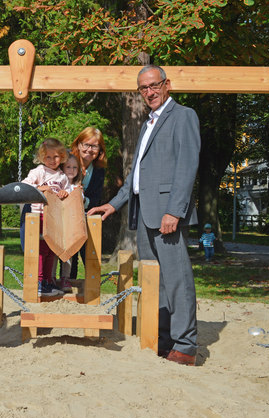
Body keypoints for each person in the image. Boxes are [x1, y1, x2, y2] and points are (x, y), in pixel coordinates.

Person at [88, 65, 201, 366]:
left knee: (177, 280)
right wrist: (112, 205)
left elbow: (187, 168)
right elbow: (136, 175)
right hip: (144, 214)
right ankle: (162, 339)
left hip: (167, 216)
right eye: (143, 88)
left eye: (154, 85)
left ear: (167, 85)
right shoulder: (147, 123)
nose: (149, 92)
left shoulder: (183, 116)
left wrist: (174, 212)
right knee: (155, 281)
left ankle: (186, 345)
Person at [21, 138, 70, 296]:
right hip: (39, 215)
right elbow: (25, 185)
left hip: (54, 217)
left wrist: (64, 193)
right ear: (42, 157)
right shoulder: (39, 171)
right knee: (41, 249)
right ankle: (39, 281)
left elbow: (67, 191)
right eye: (48, 157)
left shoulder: (62, 176)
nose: (52, 160)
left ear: (61, 157)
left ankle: (48, 281)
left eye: (56, 157)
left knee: (51, 250)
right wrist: (40, 187)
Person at [68, 127, 108, 280]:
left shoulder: (98, 170)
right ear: (78, 144)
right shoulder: (67, 161)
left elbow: (96, 199)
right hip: (66, 217)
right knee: (68, 258)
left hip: (85, 216)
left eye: (94, 146)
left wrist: (83, 200)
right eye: (86, 144)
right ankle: (65, 286)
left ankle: (93, 288)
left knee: (88, 253)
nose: (89, 149)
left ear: (100, 150)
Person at [57, 153, 86, 292]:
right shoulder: (58, 184)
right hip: (58, 224)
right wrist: (61, 194)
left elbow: (80, 200)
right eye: (68, 166)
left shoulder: (77, 187)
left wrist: (75, 194)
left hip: (71, 226)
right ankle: (49, 279)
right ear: (62, 168)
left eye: (75, 167)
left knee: (68, 255)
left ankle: (65, 278)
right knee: (52, 253)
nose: (71, 170)